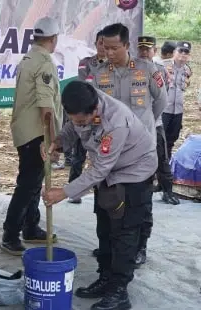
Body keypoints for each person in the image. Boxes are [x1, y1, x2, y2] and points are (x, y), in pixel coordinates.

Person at [43, 81, 157, 310]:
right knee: (104, 228)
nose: (78, 123)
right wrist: (58, 143)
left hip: (133, 172)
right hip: (109, 172)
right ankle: (105, 278)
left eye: (82, 120)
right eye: (73, 118)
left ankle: (119, 291)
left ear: (95, 109)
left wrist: (63, 192)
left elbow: (99, 170)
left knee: (124, 233)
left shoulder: (116, 122)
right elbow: (72, 128)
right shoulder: (81, 104)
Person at [90, 24, 167, 260]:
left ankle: (140, 246)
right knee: (110, 200)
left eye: (115, 48)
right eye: (106, 47)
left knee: (139, 202)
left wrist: (142, 129)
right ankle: (111, 248)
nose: (109, 53)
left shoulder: (147, 69)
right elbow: (95, 111)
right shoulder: (100, 73)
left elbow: (161, 101)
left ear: (126, 45)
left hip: (140, 152)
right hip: (112, 150)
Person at [1, 17, 63, 256]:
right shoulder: (44, 62)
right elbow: (46, 109)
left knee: (35, 182)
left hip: (28, 131)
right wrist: (54, 141)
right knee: (28, 185)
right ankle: (11, 233)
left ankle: (30, 226)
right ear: (53, 39)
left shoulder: (28, 59)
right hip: (37, 133)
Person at [137, 36, 179, 204]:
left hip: (155, 122)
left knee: (161, 157)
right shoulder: (129, 68)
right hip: (135, 124)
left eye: (148, 49)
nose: (144, 52)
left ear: (154, 50)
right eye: (141, 49)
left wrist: (151, 119)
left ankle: (167, 190)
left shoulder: (160, 70)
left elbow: (162, 98)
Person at [68, 29, 106, 204]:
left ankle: (103, 191)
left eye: (108, 44)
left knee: (103, 155)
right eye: (100, 43)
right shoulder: (86, 63)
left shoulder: (116, 66)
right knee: (79, 154)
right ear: (96, 44)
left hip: (105, 118)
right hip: (85, 115)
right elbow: (85, 85)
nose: (104, 48)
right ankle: (74, 191)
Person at [162, 41, 192, 159]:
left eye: (186, 52)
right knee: (159, 140)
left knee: (171, 141)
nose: (183, 54)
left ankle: (167, 166)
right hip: (164, 110)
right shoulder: (163, 66)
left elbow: (184, 86)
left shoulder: (187, 70)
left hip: (178, 111)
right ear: (174, 52)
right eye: (181, 51)